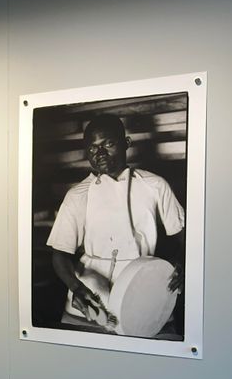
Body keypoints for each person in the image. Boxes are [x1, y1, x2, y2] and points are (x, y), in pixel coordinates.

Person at [47, 113, 185, 331]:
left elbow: (182, 235)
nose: (100, 153)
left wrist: (183, 263)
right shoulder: (78, 195)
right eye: (93, 148)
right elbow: (60, 254)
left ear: (126, 143)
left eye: (108, 144)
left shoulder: (156, 185)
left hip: (144, 288)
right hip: (91, 295)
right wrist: (76, 288)